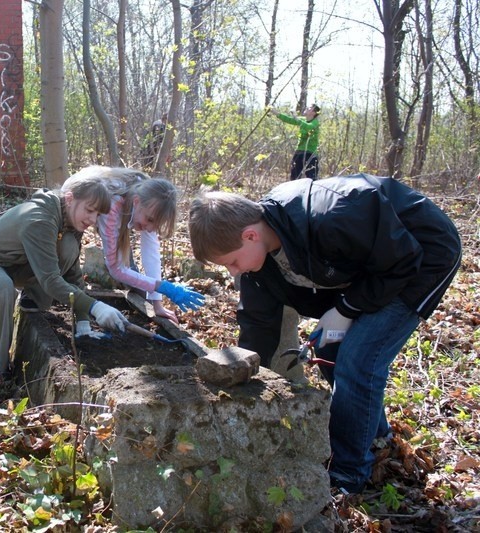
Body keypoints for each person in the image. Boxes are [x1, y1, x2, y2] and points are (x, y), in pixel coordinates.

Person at [188, 174, 461, 493]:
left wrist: (344, 311)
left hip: (421, 256)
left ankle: (349, 473)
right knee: (330, 352)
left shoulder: (329, 216)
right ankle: (376, 436)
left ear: (250, 235)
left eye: (232, 263)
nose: (234, 272)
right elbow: (258, 327)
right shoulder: (258, 265)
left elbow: (401, 261)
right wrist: (245, 379)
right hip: (372, 272)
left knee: (359, 360)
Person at [0, 171, 129, 380]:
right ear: (71, 198)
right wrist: (94, 306)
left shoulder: (70, 218)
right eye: (90, 210)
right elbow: (50, 280)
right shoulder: (40, 218)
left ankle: (31, 300)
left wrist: (83, 323)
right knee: (2, 287)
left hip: (25, 264)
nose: (92, 220)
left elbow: (72, 269)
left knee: (67, 246)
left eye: (98, 215)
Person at [64, 166, 204, 324]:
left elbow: (151, 255)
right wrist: (162, 286)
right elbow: (116, 269)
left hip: (117, 209)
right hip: (74, 204)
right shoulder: (113, 207)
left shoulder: (148, 201)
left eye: (155, 224)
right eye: (150, 220)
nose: (150, 228)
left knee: (134, 275)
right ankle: (76, 312)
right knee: (68, 255)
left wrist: (157, 304)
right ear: (136, 202)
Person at [271, 104, 320, 180]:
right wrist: (275, 112)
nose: (307, 108)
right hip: (299, 151)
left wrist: (296, 118)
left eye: (310, 108)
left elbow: (308, 127)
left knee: (312, 178)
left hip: (310, 154)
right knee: (294, 177)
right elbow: (288, 119)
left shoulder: (315, 122)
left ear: (314, 113)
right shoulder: (302, 119)